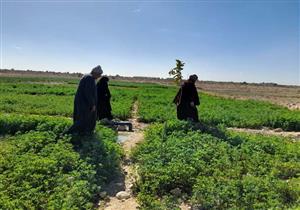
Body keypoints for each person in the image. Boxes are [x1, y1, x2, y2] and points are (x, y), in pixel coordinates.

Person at [67, 65, 103, 134]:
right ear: (94, 72)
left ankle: (82, 133)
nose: (99, 76)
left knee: (82, 119)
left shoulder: (88, 77)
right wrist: (92, 104)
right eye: (99, 74)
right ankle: (69, 133)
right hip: (84, 103)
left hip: (83, 102)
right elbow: (88, 93)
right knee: (83, 119)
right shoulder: (89, 78)